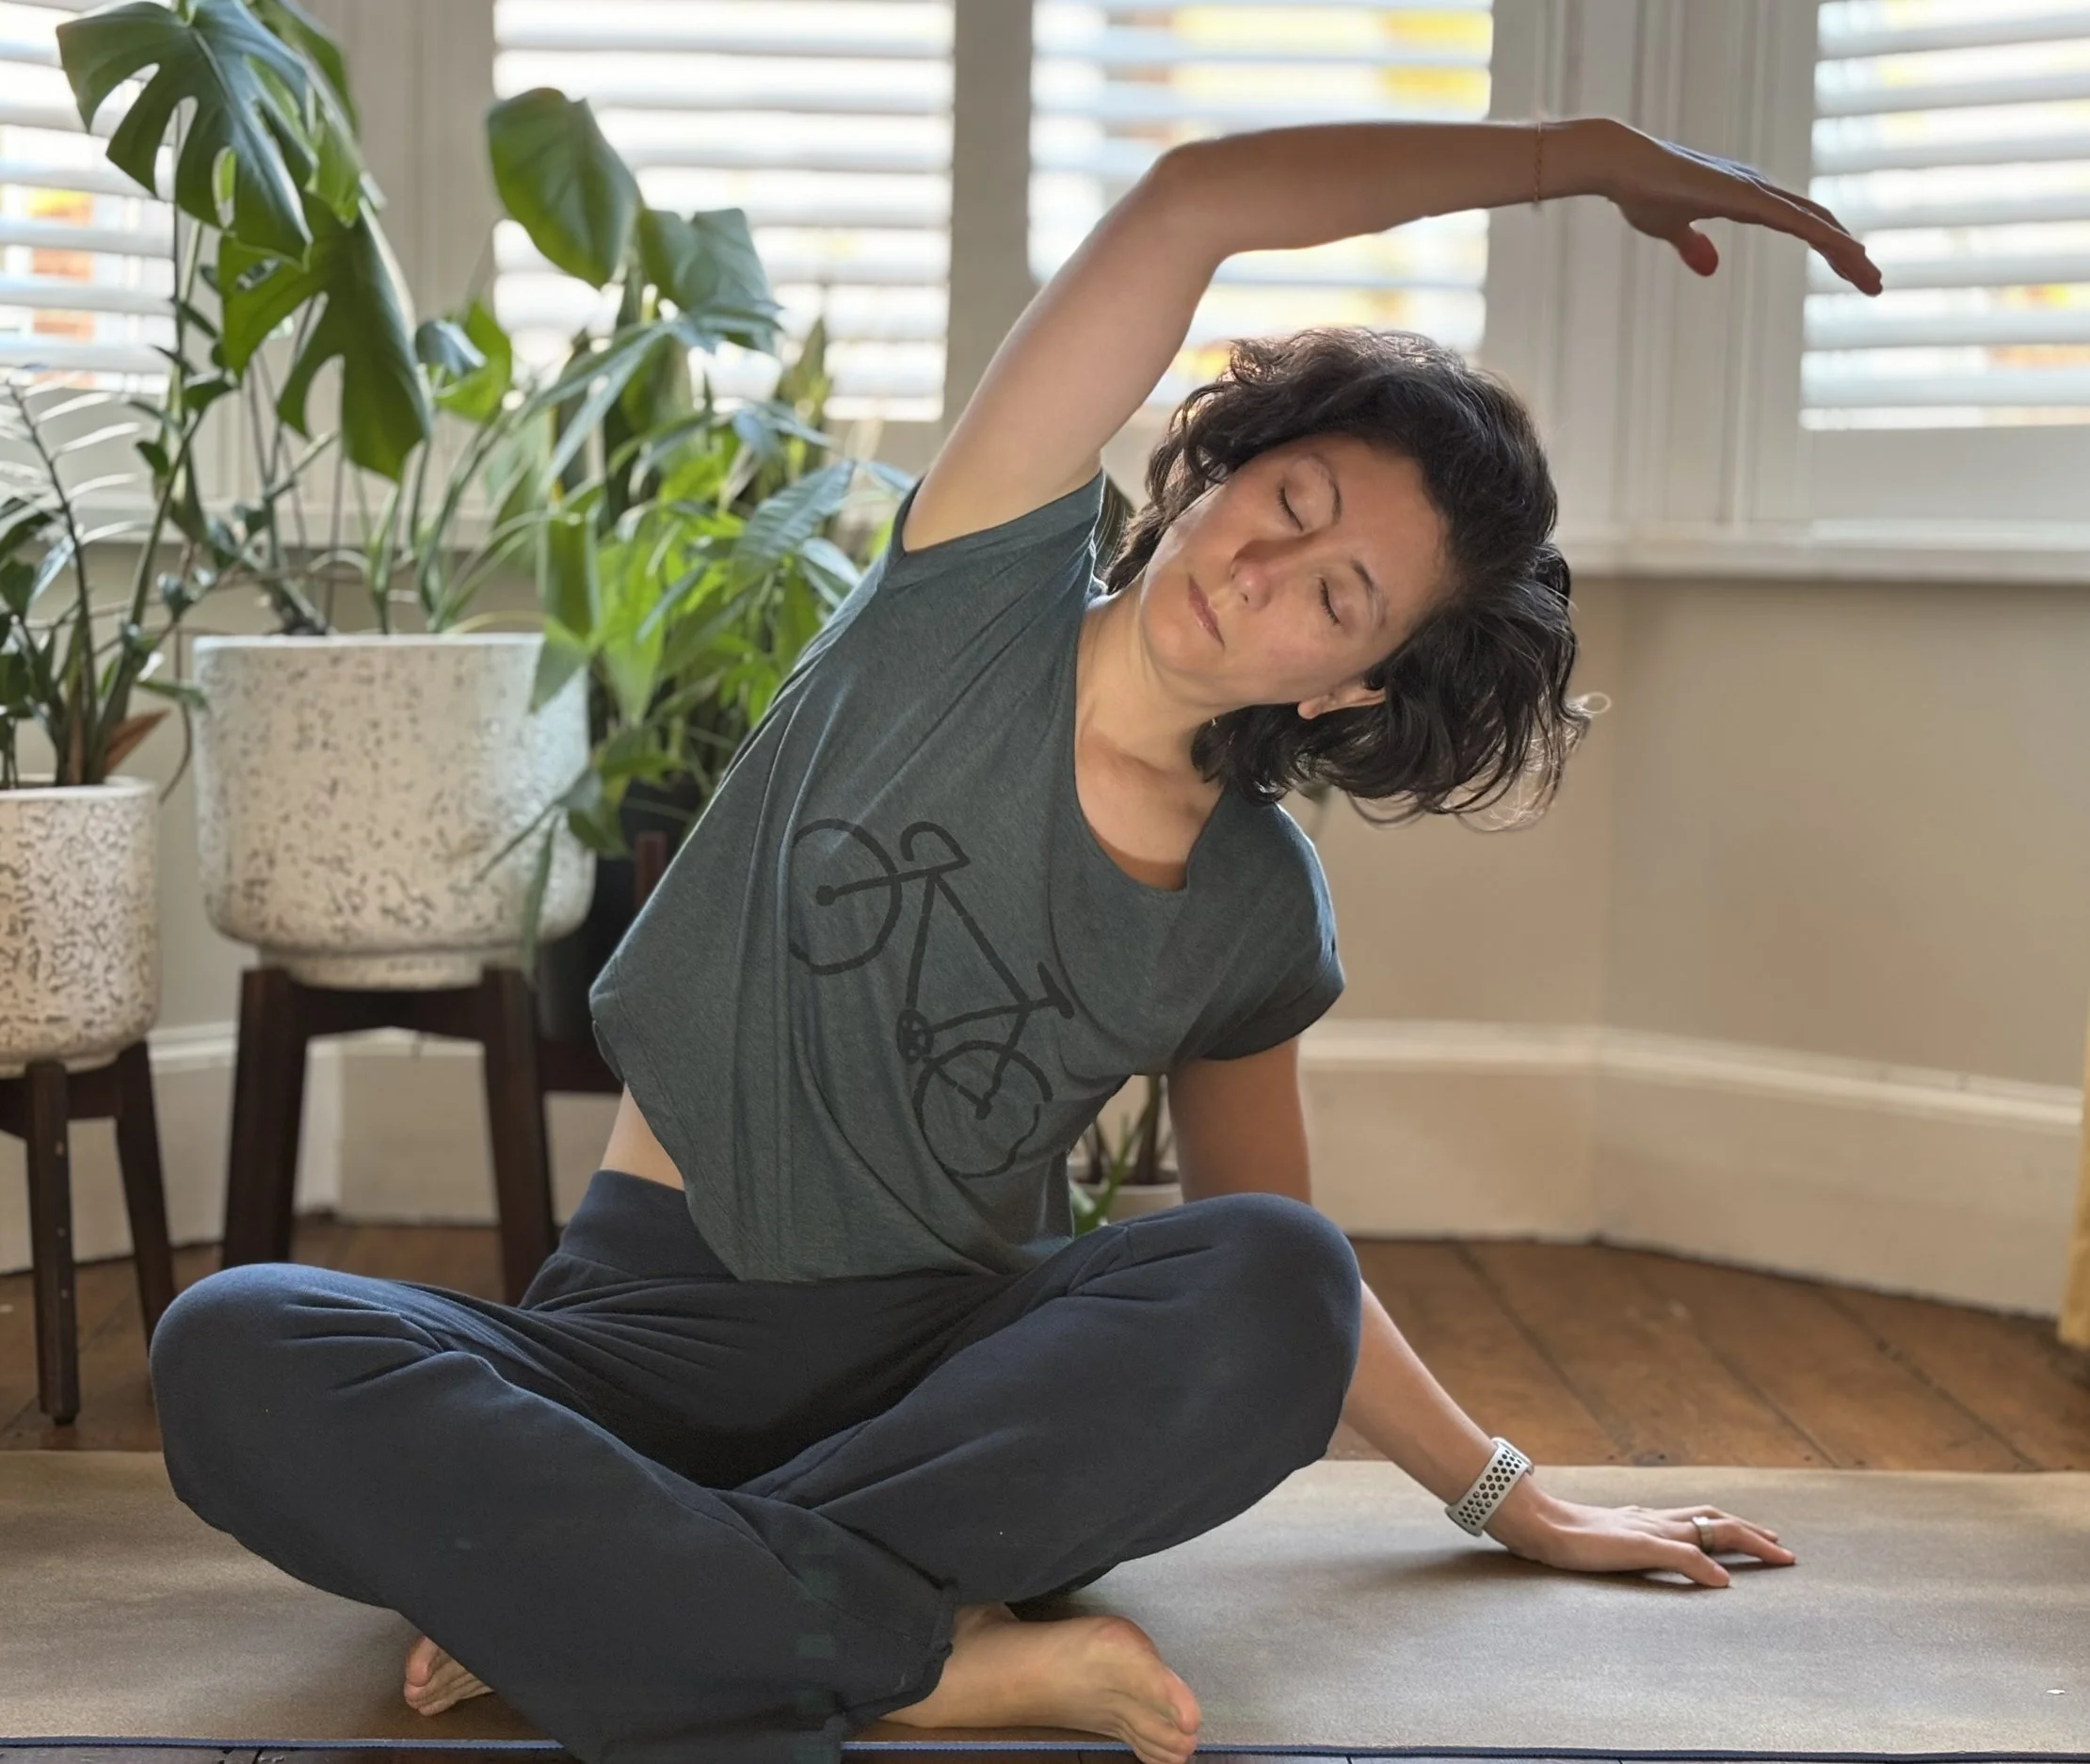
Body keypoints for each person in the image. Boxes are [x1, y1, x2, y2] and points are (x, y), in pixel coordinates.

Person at [147, 114, 1882, 1764]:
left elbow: (1288, 1272)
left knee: (1271, 1277)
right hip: (630, 1347)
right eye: (1290, 500)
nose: (1269, 573)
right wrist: (1569, 160)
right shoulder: (975, 576)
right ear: (1215, 465)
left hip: (956, 1404)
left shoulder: (1254, 905)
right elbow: (1192, 201)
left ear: (1350, 681)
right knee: (232, 1348)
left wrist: (1514, 1496)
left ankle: (627, 1604)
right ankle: (910, 1659)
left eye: (1342, 593)